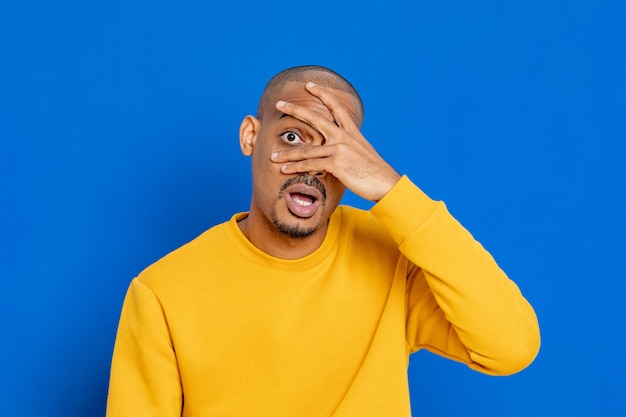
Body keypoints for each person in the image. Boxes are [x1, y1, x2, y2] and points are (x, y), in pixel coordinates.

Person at [106, 65, 540, 416]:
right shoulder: (162, 291)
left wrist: (393, 190)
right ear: (250, 137)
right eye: (292, 137)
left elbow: (511, 347)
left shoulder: (393, 253)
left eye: (335, 147)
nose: (311, 166)